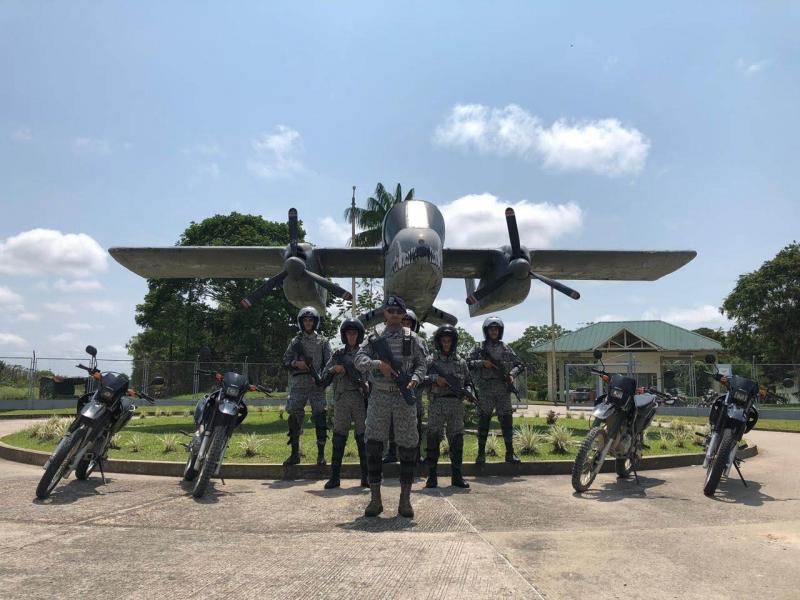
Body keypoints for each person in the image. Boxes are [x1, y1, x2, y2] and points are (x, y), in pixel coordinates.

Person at [354, 296, 427, 518]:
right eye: (391, 310)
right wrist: (378, 365)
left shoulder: (414, 338)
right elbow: (358, 359)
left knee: (407, 447)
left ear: (404, 314)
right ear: (385, 313)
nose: (395, 314)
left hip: (404, 398)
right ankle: (375, 500)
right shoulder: (374, 337)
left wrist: (415, 379)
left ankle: (405, 500)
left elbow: (422, 364)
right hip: (380, 396)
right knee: (374, 445)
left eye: (399, 311)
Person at [467, 316, 525, 464]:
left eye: (496, 329)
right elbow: (466, 363)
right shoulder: (479, 347)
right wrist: (482, 363)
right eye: (491, 329)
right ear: (486, 331)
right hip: (485, 389)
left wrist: (511, 375)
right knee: (484, 420)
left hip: (502, 388)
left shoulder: (505, 347)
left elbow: (519, 364)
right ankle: (480, 454)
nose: (494, 332)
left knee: (507, 421)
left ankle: (510, 453)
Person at [321, 318, 369, 489]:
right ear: (344, 335)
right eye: (348, 333)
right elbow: (324, 373)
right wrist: (335, 369)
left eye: (354, 333)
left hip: (359, 398)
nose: (351, 336)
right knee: (339, 436)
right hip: (341, 399)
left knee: (363, 437)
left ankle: (366, 477)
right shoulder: (337, 354)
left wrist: (367, 385)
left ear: (359, 335)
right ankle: (335, 477)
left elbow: (371, 373)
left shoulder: (364, 354)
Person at [282, 306, 332, 466]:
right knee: (294, 416)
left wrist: (322, 378)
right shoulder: (295, 341)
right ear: (301, 322)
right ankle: (295, 454)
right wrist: (297, 363)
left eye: (311, 320)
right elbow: (285, 361)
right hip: (298, 384)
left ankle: (321, 455)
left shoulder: (323, 341)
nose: (308, 323)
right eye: (305, 320)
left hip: (316, 385)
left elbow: (330, 363)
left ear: (315, 322)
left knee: (320, 417)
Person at [423, 325, 473, 489]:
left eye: (449, 341)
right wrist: (435, 379)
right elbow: (420, 377)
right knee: (433, 438)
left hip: (455, 404)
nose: (446, 343)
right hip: (437, 402)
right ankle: (432, 476)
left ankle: (457, 476)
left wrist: (468, 392)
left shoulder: (461, 361)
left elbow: (468, 382)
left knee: (457, 439)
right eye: (443, 341)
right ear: (439, 342)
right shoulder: (431, 360)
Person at [383, 309, 426, 465]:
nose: (406, 325)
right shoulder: (390, 340)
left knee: (416, 422)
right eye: (404, 323)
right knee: (392, 421)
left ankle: (416, 453)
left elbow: (424, 366)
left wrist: (415, 378)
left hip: (414, 388)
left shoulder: (418, 341)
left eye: (409, 323)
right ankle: (392, 452)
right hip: (393, 387)